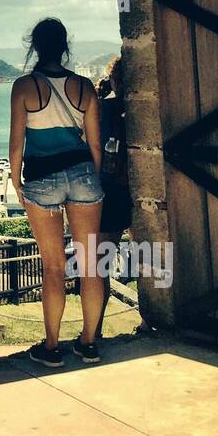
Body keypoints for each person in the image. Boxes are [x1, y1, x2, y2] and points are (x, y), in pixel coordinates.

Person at [9, 17, 104, 367]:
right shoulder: (84, 87)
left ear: (34, 47)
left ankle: (52, 348)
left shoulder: (24, 86)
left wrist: (17, 183)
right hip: (82, 175)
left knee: (53, 268)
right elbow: (95, 145)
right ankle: (89, 343)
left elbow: (16, 143)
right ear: (65, 46)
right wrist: (90, 178)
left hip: (42, 179)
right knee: (91, 265)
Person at [95, 57, 132, 341]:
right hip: (129, 194)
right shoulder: (135, 110)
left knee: (97, 269)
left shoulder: (104, 108)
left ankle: (93, 333)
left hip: (107, 195)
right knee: (154, 261)